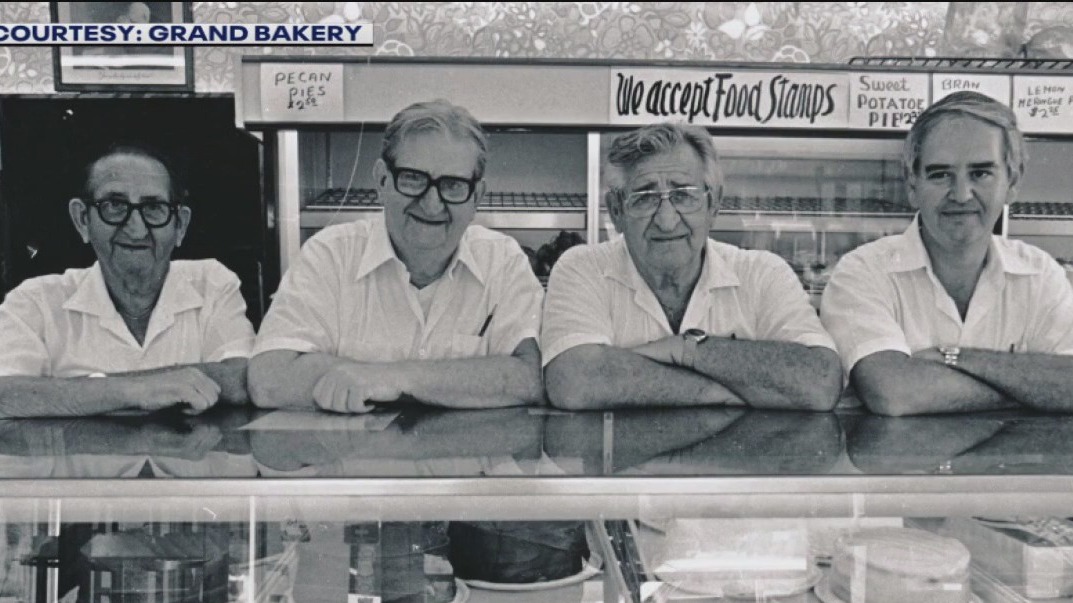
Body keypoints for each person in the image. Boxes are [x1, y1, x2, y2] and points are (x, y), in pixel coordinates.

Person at [249, 100, 544, 412]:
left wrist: (388, 377)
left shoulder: (503, 262)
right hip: (354, 459)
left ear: (477, 198)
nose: (432, 204)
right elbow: (269, 379)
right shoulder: (330, 256)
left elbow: (529, 378)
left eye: (453, 185)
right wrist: (463, 380)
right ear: (381, 180)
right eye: (413, 178)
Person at [541, 123, 842, 410]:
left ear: (714, 205)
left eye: (684, 195)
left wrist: (688, 349)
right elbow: (574, 381)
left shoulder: (763, 273)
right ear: (617, 211)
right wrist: (727, 390)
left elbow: (821, 382)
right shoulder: (583, 268)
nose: (667, 220)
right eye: (645, 199)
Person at [821, 91, 1073, 416]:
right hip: (898, 467)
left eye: (981, 173)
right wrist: (1029, 386)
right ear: (912, 186)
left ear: (1012, 182)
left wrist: (950, 357)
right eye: (940, 174)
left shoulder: (1041, 274)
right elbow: (895, 393)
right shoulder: (863, 272)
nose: (961, 194)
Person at [0, 145, 255, 418]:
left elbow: (241, 379)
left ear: (179, 225)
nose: (136, 229)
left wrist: (76, 392)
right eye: (114, 206)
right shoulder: (35, 301)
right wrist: (138, 389)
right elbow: (6, 395)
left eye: (154, 207)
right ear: (82, 219)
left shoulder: (212, 284)